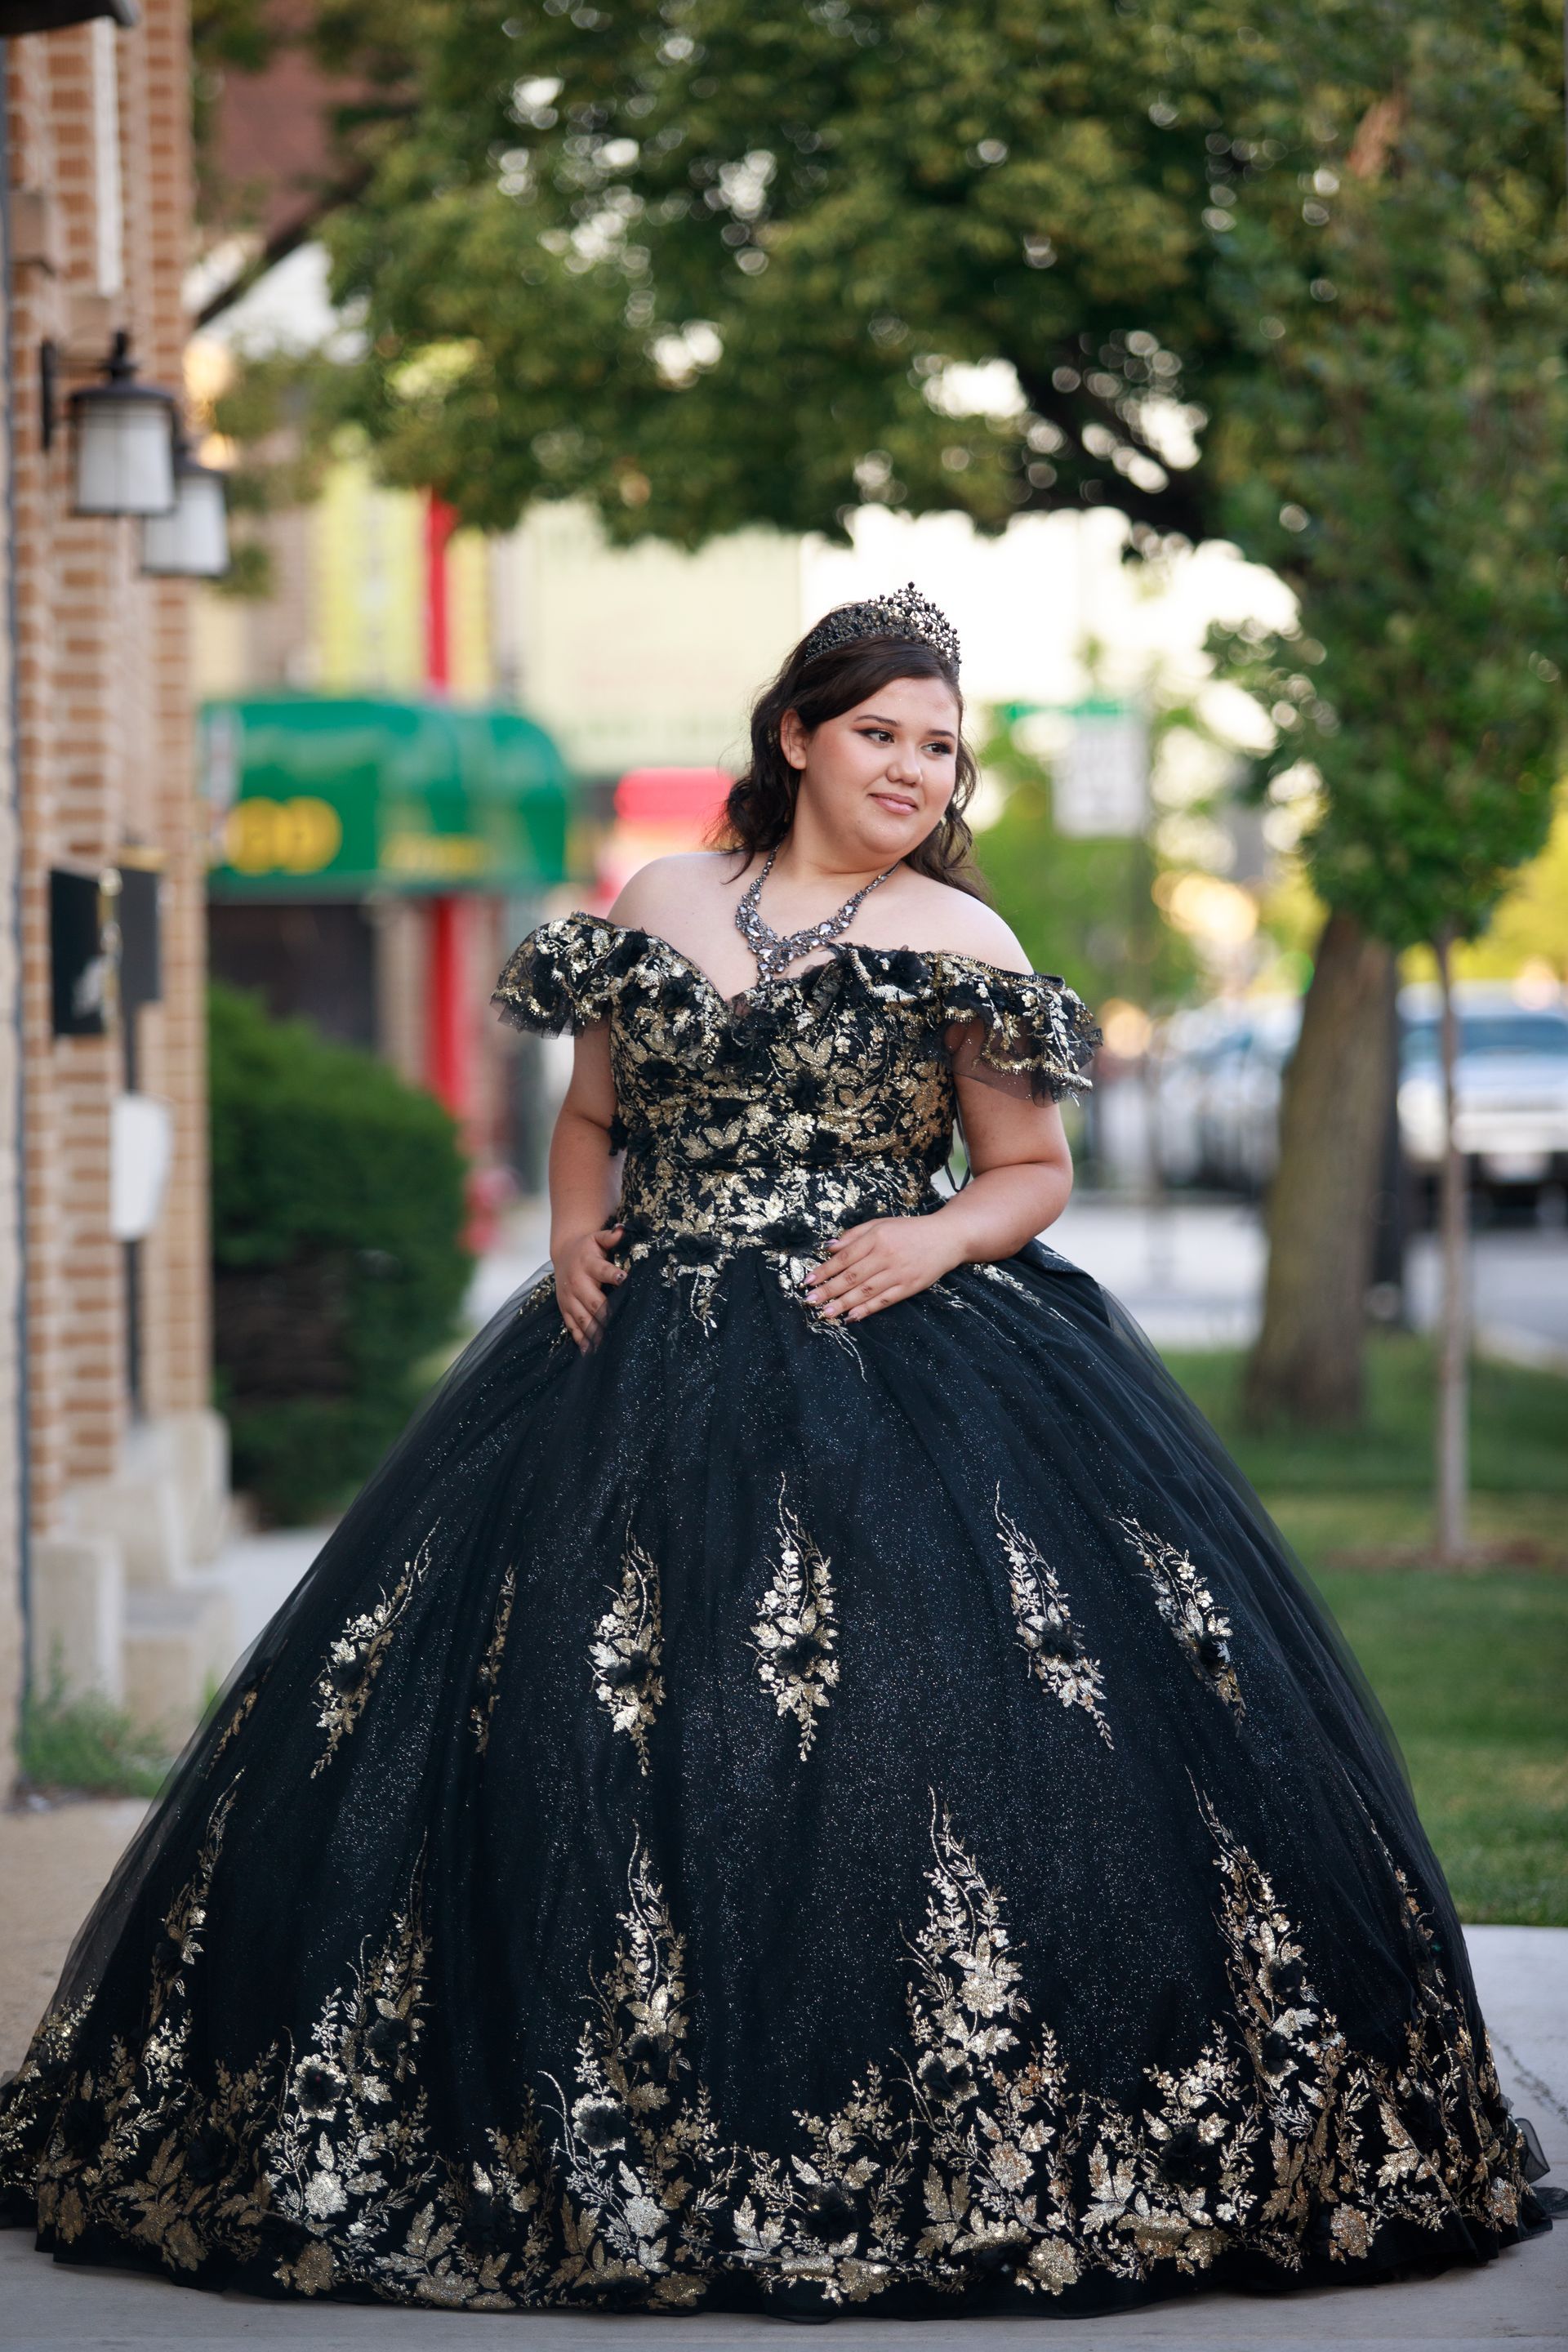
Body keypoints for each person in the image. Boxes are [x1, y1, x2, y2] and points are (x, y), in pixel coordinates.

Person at [0, 589, 1549, 2322]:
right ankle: (606, 2137)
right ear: (798, 733)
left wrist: (939, 1242)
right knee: (586, 1729)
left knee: (899, 1720)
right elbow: (590, 1117)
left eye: (941, 744)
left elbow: (1026, 1169)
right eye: (881, 731)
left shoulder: (961, 932)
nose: (912, 766)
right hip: (630, 1371)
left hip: (892, 1357)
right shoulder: (658, 901)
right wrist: (579, 1238)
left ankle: (894, 2134)